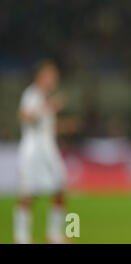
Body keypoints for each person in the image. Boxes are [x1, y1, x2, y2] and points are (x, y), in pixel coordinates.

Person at [14, 60, 67, 244]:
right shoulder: (32, 93)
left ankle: (54, 235)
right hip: (32, 150)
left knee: (60, 188)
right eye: (52, 75)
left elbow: (46, 126)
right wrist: (48, 107)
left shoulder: (44, 96)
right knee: (27, 193)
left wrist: (67, 126)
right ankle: (21, 237)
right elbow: (23, 116)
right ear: (42, 76)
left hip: (48, 149)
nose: (54, 79)